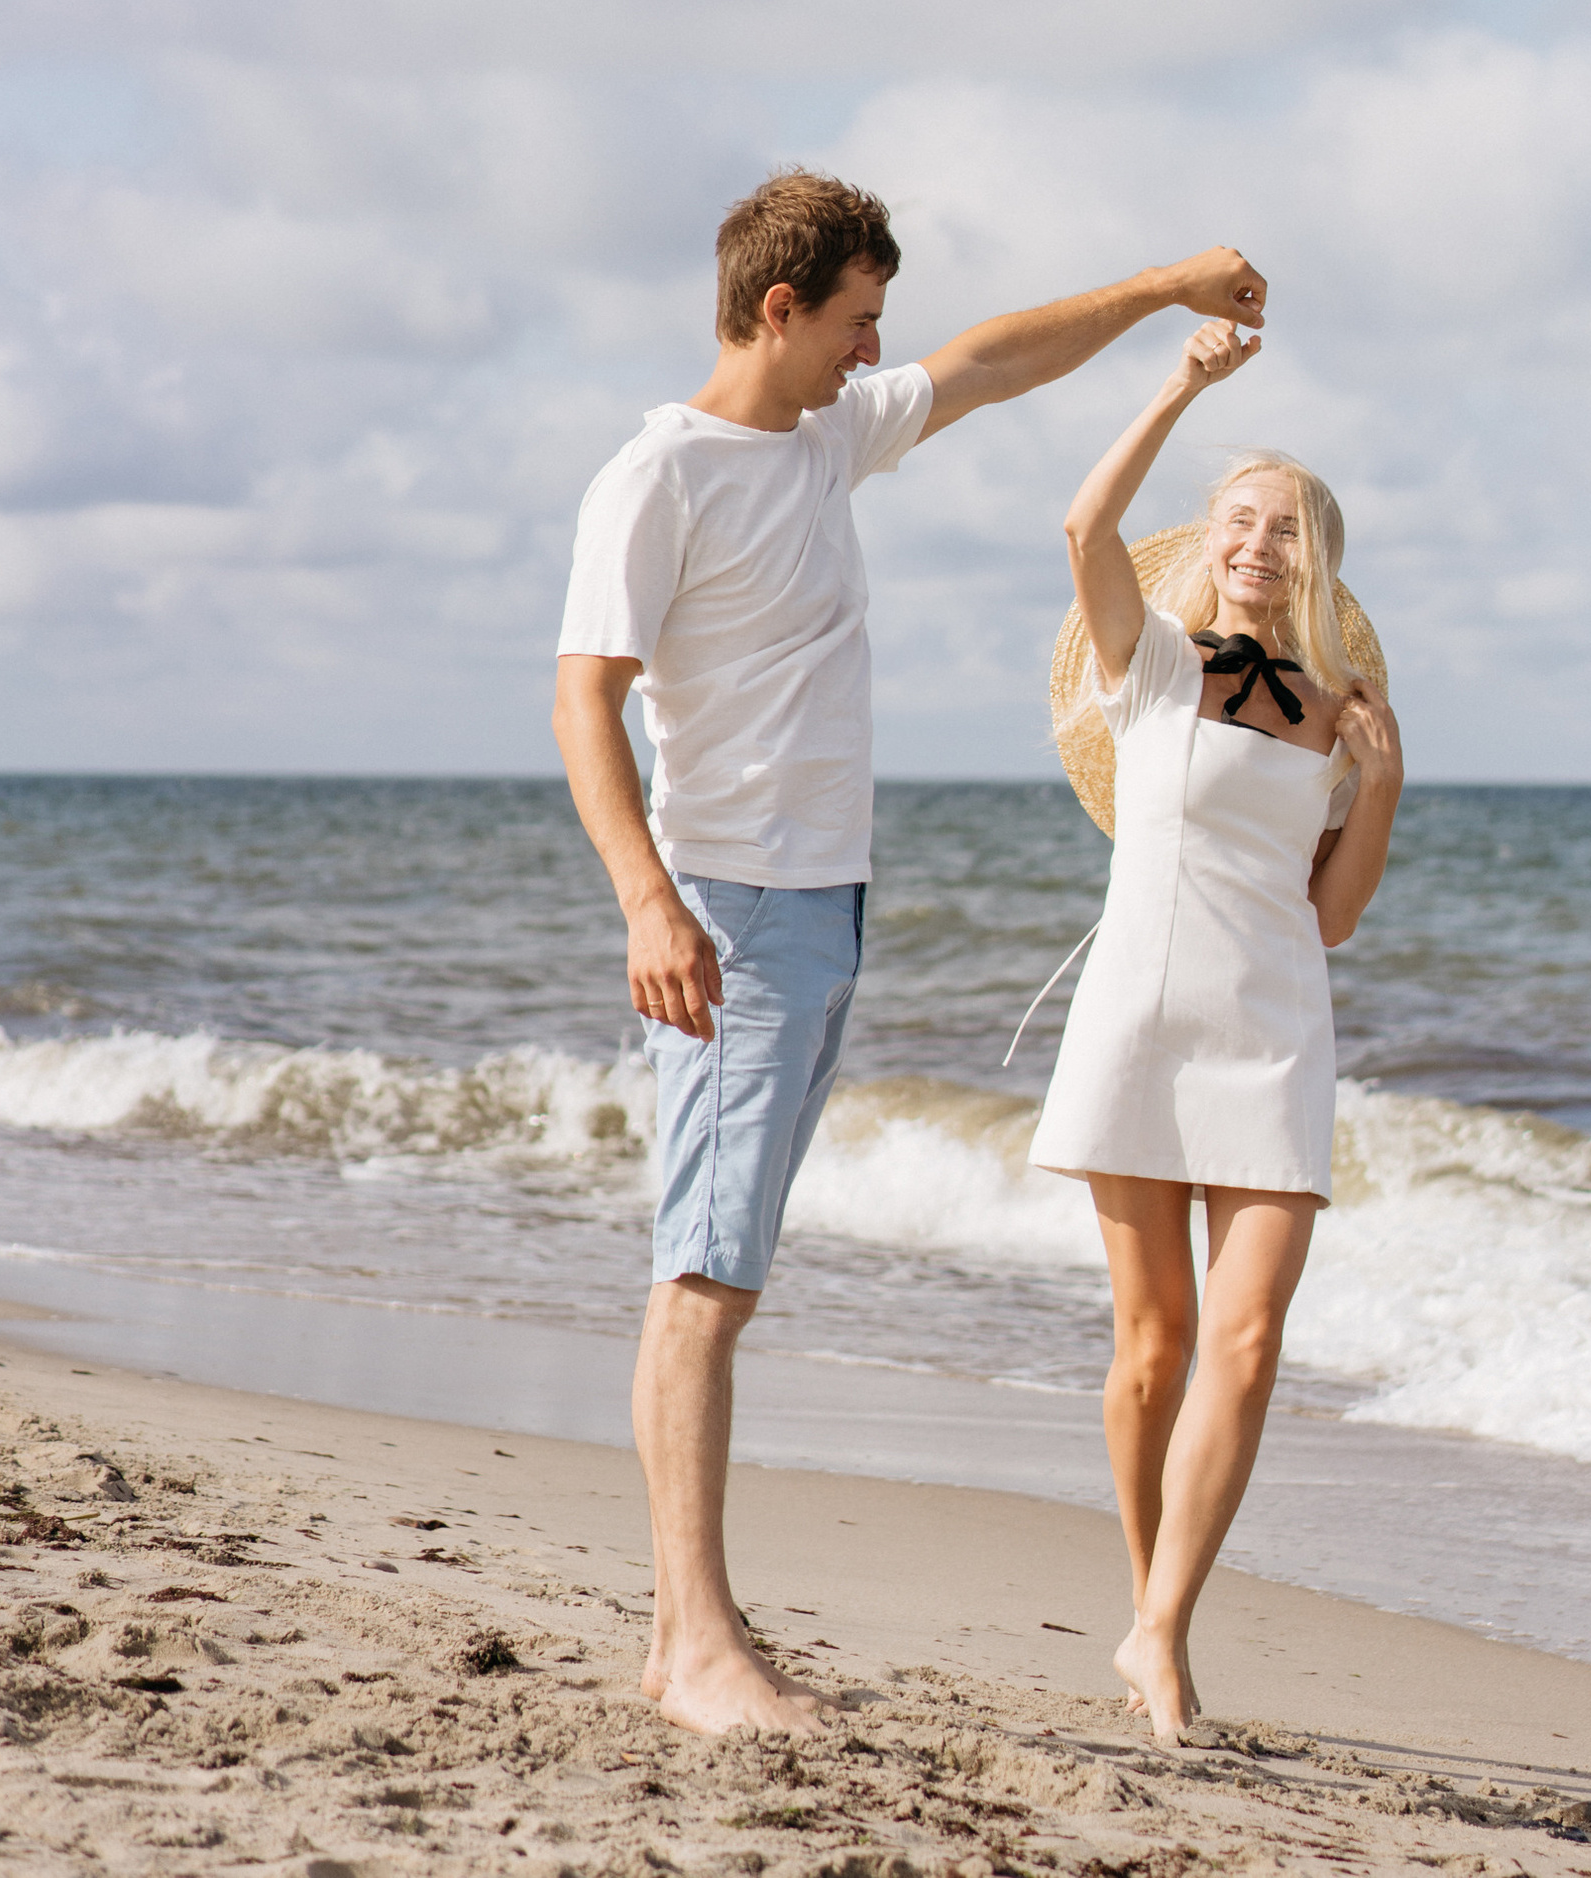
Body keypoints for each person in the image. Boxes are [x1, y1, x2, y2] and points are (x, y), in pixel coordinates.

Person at [552, 170, 1268, 1737]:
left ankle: (692, 1633)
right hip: (731, 910)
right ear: (780, 305)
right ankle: (693, 1647)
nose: (877, 353)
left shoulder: (826, 436)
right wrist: (648, 899)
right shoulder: (658, 474)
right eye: (859, 320)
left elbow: (1002, 359)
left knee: (720, 1266)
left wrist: (1160, 287)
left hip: (824, 911)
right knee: (702, 1274)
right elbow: (581, 701)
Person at [1026, 317, 1403, 1745]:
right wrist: (1182, 382)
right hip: (1139, 1014)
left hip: (1274, 1031)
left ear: (1319, 562)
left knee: (1244, 1341)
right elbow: (1084, 520)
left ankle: (1164, 1628)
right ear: (1210, 539)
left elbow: (1338, 913)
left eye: (1287, 528)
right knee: (1152, 1343)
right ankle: (1152, 1622)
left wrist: (1384, 783)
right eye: (1240, 519)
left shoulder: (1336, 714)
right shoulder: (1154, 663)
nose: (1257, 541)